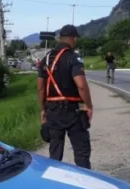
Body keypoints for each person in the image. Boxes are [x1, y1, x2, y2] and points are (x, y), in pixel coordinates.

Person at [37, 24, 94, 169]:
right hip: (73, 111)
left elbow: (41, 88)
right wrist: (88, 106)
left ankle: (55, 183)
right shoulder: (73, 58)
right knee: (81, 150)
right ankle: (85, 181)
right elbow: (81, 85)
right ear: (74, 39)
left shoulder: (46, 59)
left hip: (53, 110)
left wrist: (43, 109)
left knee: (55, 151)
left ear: (60, 38)